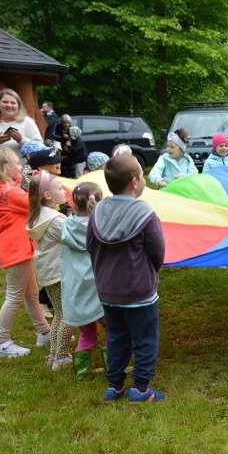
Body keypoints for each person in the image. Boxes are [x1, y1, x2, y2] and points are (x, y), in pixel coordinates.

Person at [87, 154, 166, 402]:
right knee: (145, 340)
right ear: (134, 182)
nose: (143, 180)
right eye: (142, 176)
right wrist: (152, 274)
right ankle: (141, 389)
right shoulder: (145, 214)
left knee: (117, 337)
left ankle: (115, 386)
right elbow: (157, 251)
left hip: (108, 291)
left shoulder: (98, 211)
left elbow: (90, 246)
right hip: (139, 292)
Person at [0, 149, 51, 358]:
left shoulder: (5, 190)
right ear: (5, 169)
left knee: (32, 294)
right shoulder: (11, 193)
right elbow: (36, 206)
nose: (21, 167)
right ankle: (1, 342)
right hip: (17, 250)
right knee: (14, 296)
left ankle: (44, 332)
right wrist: (42, 185)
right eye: (17, 164)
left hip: (18, 249)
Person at [26, 171, 72, 370]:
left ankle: (54, 353)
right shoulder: (56, 220)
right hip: (58, 273)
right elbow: (75, 240)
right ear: (47, 195)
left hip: (48, 272)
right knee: (69, 314)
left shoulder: (41, 216)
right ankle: (61, 356)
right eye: (60, 188)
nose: (64, 191)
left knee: (59, 313)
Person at [61, 182, 107, 378]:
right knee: (114, 329)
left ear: (72, 204)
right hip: (98, 291)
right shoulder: (102, 228)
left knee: (87, 333)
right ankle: (114, 367)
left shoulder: (66, 226)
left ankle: (82, 373)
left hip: (76, 291)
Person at [0, 89, 44, 160]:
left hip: (21, 169)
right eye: (5, 102)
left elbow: (41, 148)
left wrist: (21, 140)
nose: (9, 105)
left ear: (18, 105)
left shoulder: (27, 122)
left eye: (13, 103)